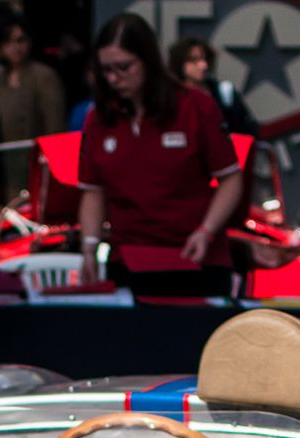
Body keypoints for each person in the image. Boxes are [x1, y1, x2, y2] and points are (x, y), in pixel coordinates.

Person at [76, 12, 245, 299]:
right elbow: (93, 191)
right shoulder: (100, 118)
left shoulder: (196, 107)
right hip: (128, 262)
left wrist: (206, 231)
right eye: (106, 70)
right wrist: (89, 249)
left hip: (195, 261)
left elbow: (230, 179)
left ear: (148, 61)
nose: (113, 78)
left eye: (123, 67)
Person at [0, 17, 65, 199]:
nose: (15, 47)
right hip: (5, 171)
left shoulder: (44, 77)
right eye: (9, 42)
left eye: (21, 40)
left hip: (35, 168)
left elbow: (55, 129)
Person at [169, 38, 258, 136]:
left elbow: (246, 132)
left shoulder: (225, 92)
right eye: (194, 60)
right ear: (180, 62)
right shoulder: (171, 96)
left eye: (205, 59)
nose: (203, 65)